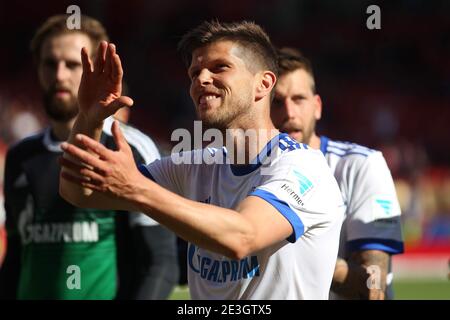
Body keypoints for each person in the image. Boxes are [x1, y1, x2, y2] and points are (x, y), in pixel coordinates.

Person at [58, 20, 345, 300]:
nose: (201, 79)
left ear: (263, 84)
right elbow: (80, 192)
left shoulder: (303, 166)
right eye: (195, 73)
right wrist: (89, 118)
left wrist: (136, 188)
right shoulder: (195, 166)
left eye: (219, 67)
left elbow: (242, 238)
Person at [0, 14, 178, 300]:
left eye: (72, 65)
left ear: (97, 71)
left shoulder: (130, 148)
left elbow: (158, 262)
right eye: (50, 64)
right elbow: (16, 260)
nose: (59, 75)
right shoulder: (21, 156)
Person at [270, 47, 404, 299]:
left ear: (317, 106)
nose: (289, 113)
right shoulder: (246, 171)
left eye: (299, 99)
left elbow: (373, 286)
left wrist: (294, 248)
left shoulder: (362, 166)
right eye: (277, 102)